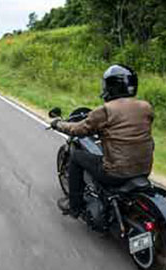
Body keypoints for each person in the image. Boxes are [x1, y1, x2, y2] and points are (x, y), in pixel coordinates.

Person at [50, 64, 154, 217]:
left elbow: (77, 129)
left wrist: (58, 123)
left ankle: (74, 205)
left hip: (116, 172)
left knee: (77, 157)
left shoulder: (105, 111)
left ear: (111, 86)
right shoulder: (146, 107)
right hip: (144, 168)